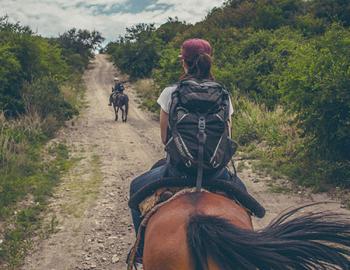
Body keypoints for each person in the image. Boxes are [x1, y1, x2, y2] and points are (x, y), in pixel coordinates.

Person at [129, 38, 247, 259]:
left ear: (184, 62)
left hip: (177, 171)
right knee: (244, 197)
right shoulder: (223, 94)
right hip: (216, 172)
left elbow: (165, 138)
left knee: (136, 187)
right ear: (209, 61)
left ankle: (140, 254)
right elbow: (228, 136)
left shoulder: (170, 93)